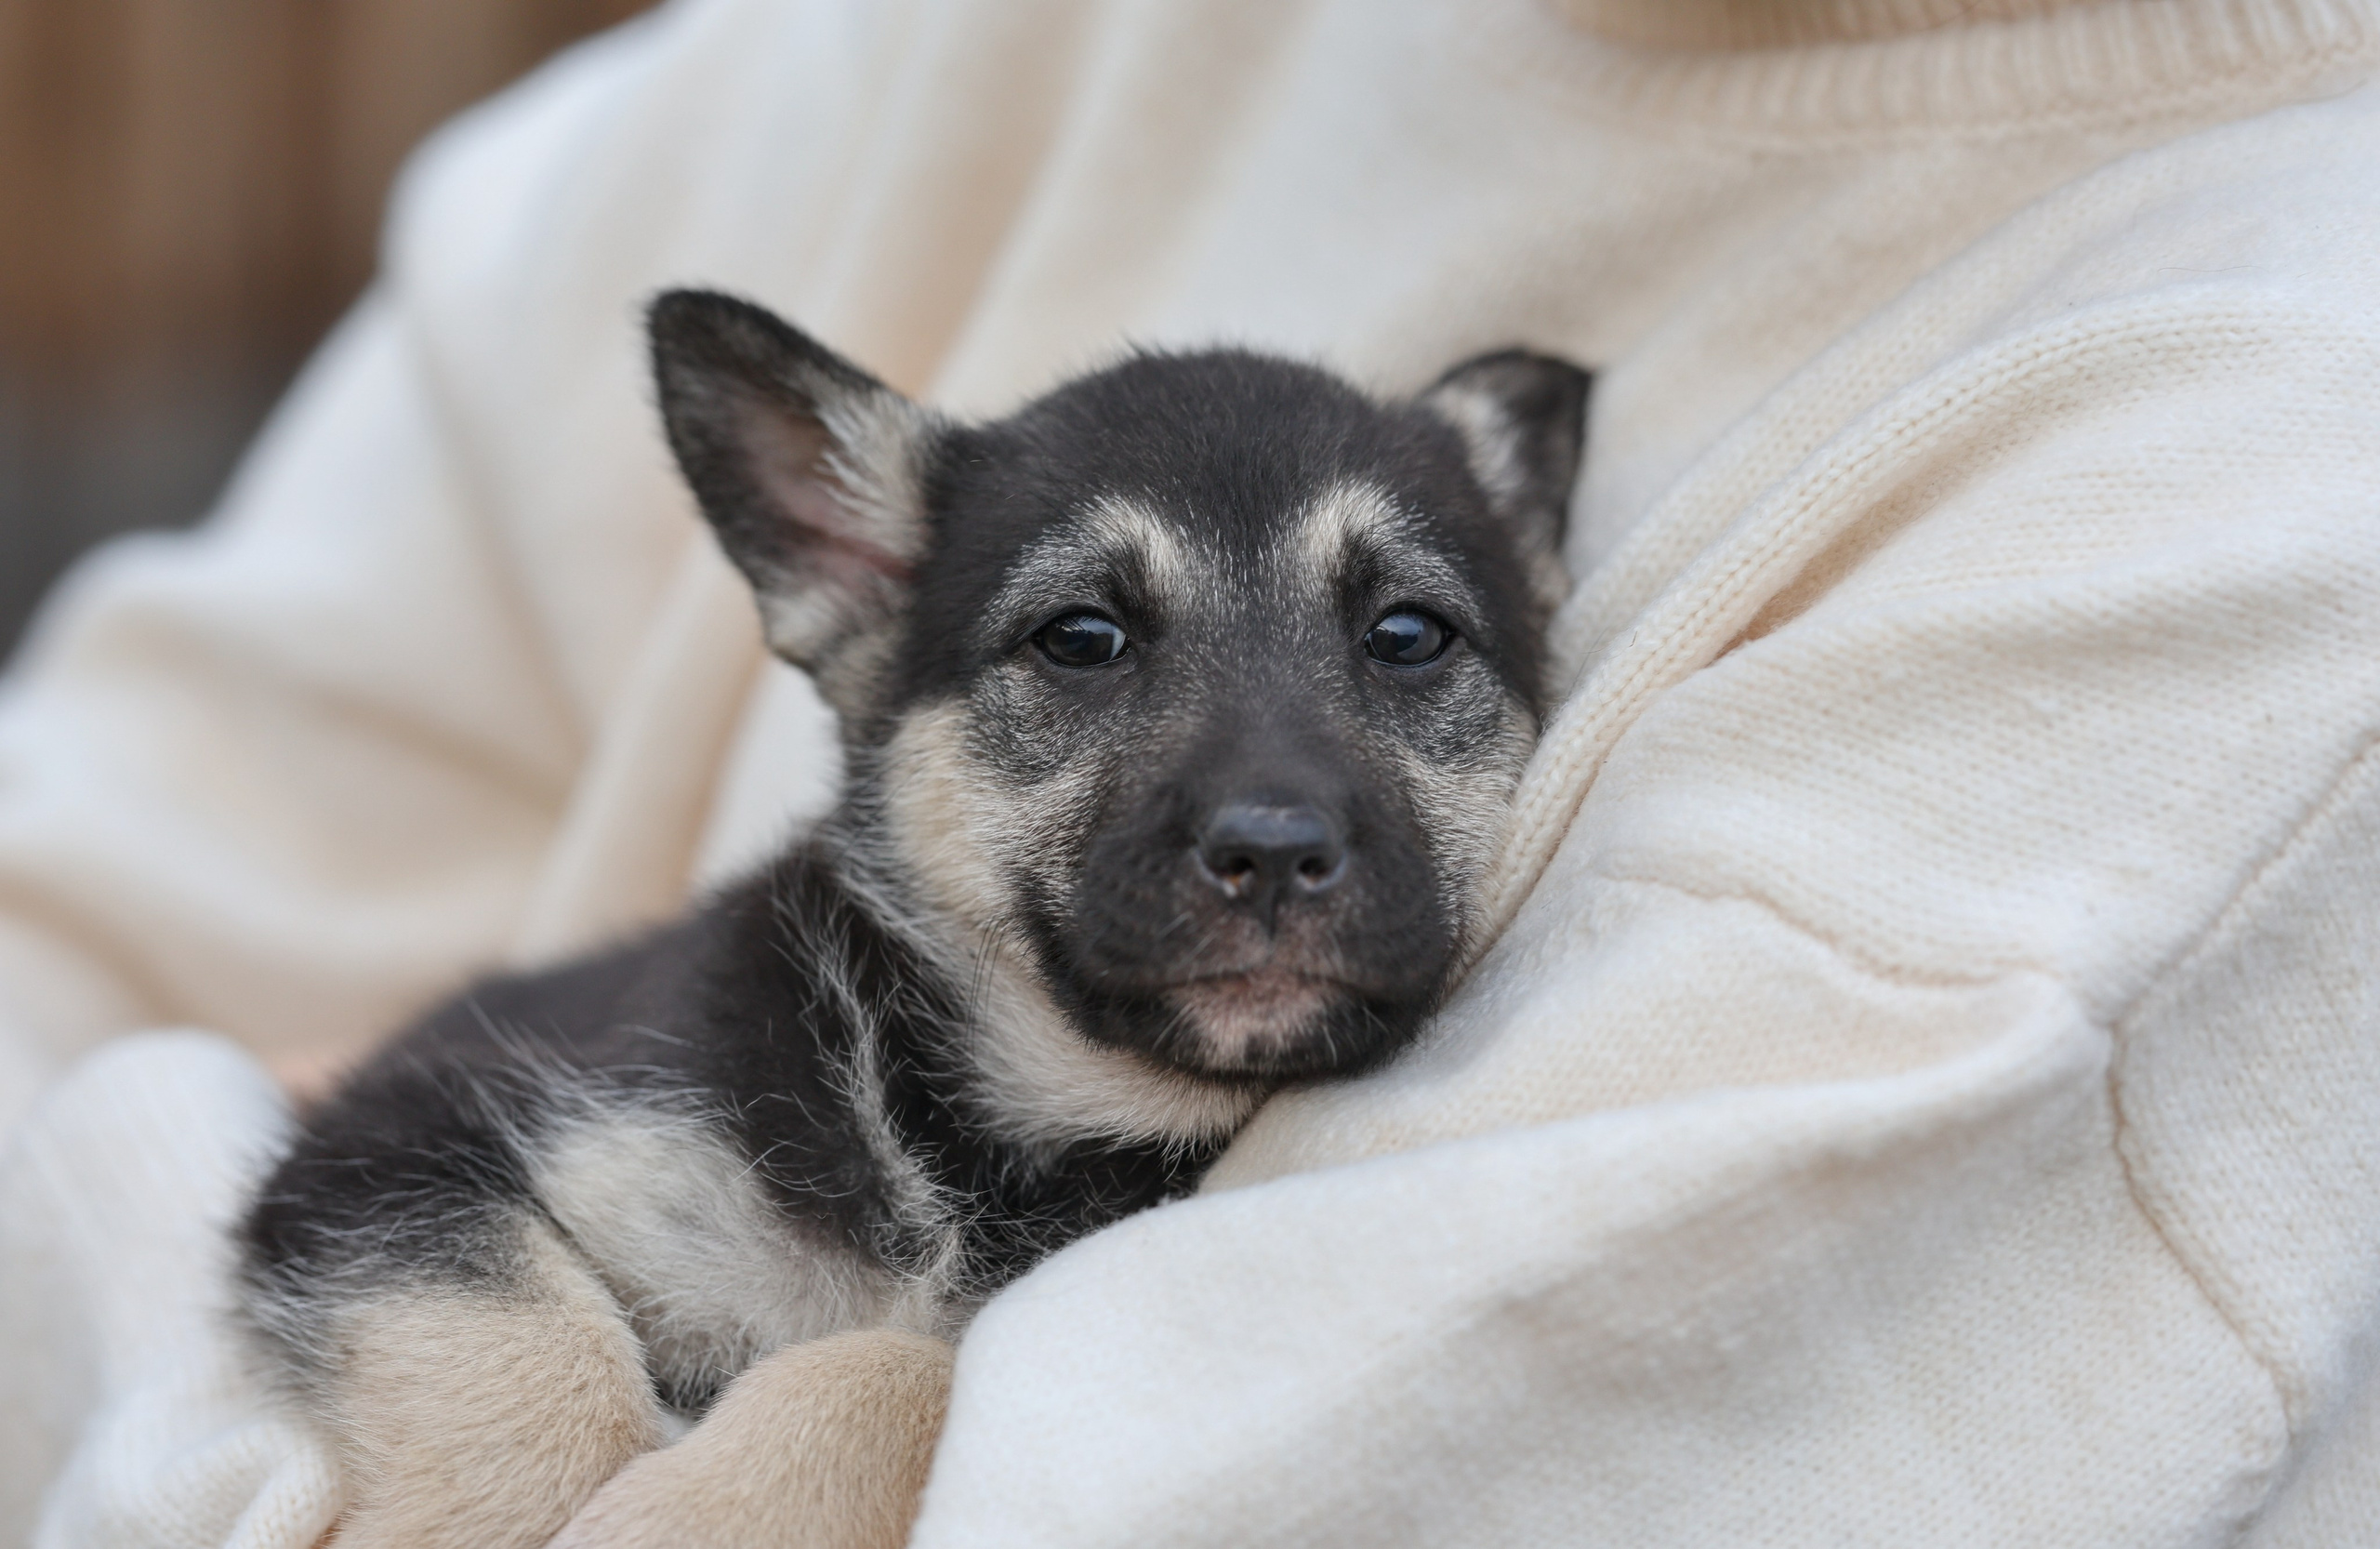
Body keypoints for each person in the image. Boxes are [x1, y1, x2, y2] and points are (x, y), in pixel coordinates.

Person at [5, 0, 2379, 1542]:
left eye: (1413, 642)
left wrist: (143, 1172)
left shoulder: (2234, 492)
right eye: (1074, 643)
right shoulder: (872, 60)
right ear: (844, 587)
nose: (1264, 806)